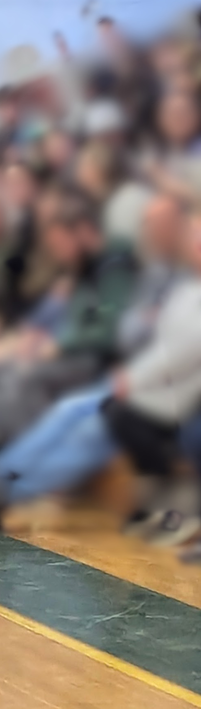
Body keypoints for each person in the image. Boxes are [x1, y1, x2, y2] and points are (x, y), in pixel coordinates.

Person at [0, 193, 187, 523]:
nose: (149, 231)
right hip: (126, 372)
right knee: (18, 385)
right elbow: (126, 328)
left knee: (79, 418)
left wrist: (61, 344)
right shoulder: (134, 269)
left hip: (141, 380)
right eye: (148, 223)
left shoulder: (122, 267)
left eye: (159, 224)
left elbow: (126, 334)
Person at [103, 209, 201, 544]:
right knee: (115, 410)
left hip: (186, 388)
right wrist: (135, 376)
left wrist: (136, 379)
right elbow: (164, 341)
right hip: (167, 380)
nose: (192, 244)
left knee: (124, 413)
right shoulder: (187, 288)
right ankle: (157, 503)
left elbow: (184, 351)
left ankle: (174, 505)